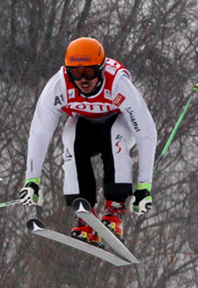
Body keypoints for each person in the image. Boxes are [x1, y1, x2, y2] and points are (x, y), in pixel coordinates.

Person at [18, 37, 157, 246]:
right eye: (76, 72)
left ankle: (114, 209)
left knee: (114, 134)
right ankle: (83, 211)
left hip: (118, 125)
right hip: (85, 125)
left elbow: (146, 133)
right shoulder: (59, 86)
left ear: (100, 70)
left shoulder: (118, 84)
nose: (83, 79)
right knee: (71, 135)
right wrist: (32, 180)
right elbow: (39, 133)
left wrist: (144, 187)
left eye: (89, 72)